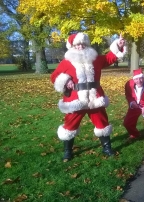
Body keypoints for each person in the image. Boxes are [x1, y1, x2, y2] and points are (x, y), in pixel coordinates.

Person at [50, 32, 125, 161]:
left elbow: (109, 58)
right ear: (72, 46)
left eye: (83, 44)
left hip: (95, 98)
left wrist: (118, 45)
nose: (80, 47)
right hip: (75, 100)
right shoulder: (66, 62)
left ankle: (107, 148)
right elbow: (54, 76)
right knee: (70, 125)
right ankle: (68, 151)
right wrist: (66, 80)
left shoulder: (95, 59)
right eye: (77, 44)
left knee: (102, 123)